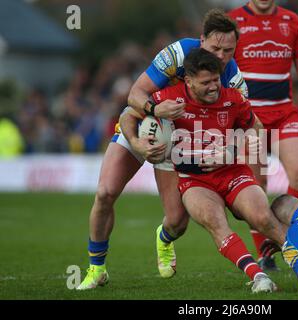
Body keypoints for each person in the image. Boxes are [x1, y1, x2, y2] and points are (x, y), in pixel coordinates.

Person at [76, 9, 248, 290]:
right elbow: (134, 95)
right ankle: (96, 269)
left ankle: (164, 238)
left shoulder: (233, 79)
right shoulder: (177, 54)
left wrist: (228, 150)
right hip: (142, 125)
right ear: (201, 39)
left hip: (182, 143)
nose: (220, 56)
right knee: (105, 192)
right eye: (215, 48)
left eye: (228, 50)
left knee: (178, 223)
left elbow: (245, 125)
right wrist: (146, 126)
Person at [153, 48, 285, 292]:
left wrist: (231, 151)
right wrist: (147, 123)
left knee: (263, 217)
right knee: (206, 223)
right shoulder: (168, 99)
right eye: (206, 82)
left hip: (233, 172)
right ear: (188, 81)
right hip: (195, 180)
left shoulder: (233, 98)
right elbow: (130, 112)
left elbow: (255, 127)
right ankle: (259, 277)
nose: (214, 87)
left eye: (216, 80)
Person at [228, 0, 298, 269]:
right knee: (255, 189)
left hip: (284, 113)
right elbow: (218, 68)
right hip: (248, 118)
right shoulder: (232, 22)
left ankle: (293, 237)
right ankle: (265, 251)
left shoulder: (292, 21)